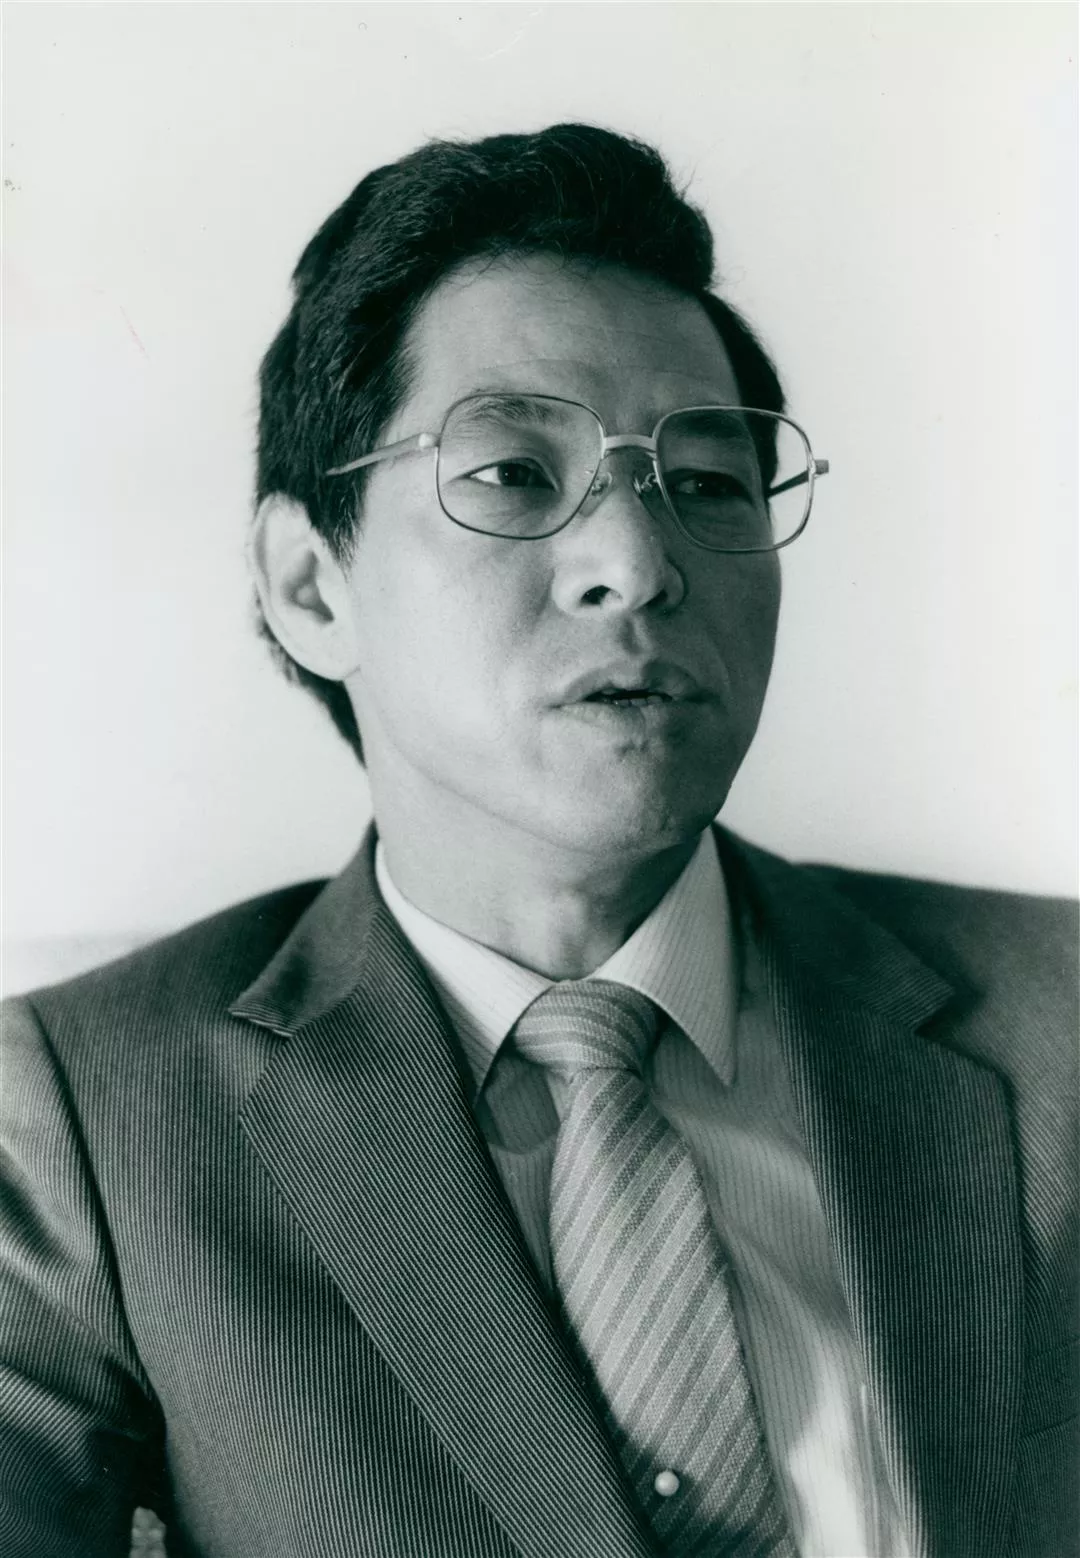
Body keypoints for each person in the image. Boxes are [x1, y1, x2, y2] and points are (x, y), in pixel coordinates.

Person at [1, 124, 1075, 1558]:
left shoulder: (1057, 1023)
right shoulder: (89, 1120)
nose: (637, 564)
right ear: (310, 586)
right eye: (513, 473)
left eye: (708, 482)